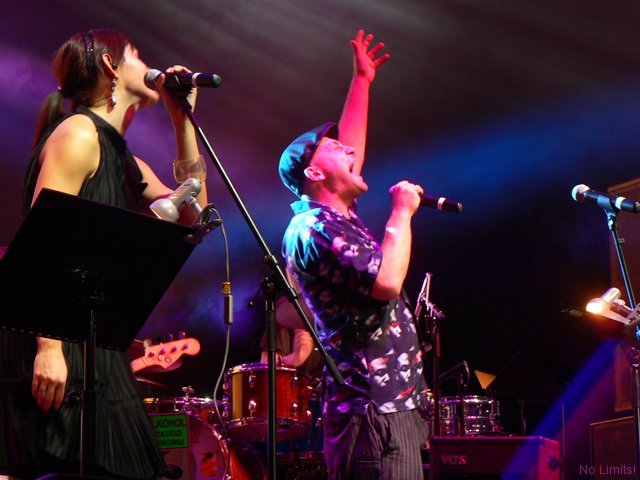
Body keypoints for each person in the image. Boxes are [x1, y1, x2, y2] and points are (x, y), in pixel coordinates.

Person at [0, 28, 208, 479]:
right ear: (112, 65)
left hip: (94, 339)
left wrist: (183, 123)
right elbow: (43, 240)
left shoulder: (127, 162)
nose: (148, 64)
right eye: (137, 55)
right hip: (57, 336)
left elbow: (196, 213)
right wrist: (48, 348)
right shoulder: (78, 133)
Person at [279, 30, 429, 479]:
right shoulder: (313, 227)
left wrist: (362, 81)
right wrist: (400, 213)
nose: (350, 151)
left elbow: (351, 149)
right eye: (334, 149)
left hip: (391, 408)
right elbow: (386, 283)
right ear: (313, 172)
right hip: (371, 413)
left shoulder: (336, 217)